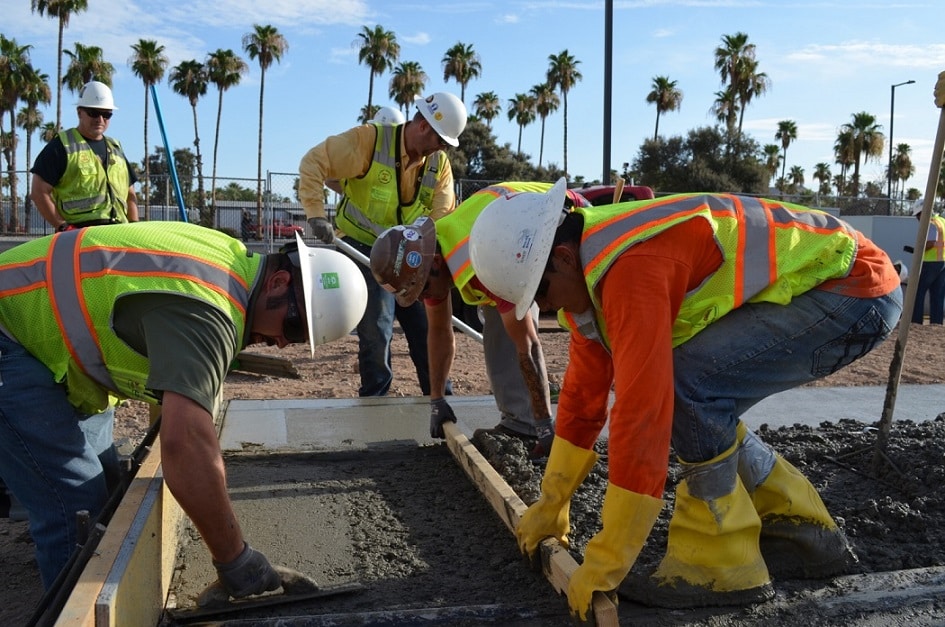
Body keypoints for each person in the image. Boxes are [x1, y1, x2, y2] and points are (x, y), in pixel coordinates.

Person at [468, 179, 903, 619]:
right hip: (832, 284)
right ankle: (803, 530)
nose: (542, 309)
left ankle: (720, 561)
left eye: (539, 295)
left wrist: (610, 554)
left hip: (852, 289)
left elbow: (643, 411)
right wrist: (551, 503)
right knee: (695, 394)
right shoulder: (591, 270)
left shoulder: (631, 267)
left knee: (684, 386)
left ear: (561, 258)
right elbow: (583, 398)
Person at [0, 222, 367, 597]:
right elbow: (185, 444)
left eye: (299, 339)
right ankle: (69, 609)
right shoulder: (210, 310)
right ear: (279, 283)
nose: (282, 344)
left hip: (50, 345)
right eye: (293, 326)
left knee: (108, 493)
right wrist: (236, 561)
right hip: (10, 335)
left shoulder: (230, 261)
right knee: (75, 503)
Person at [369, 182, 590, 457]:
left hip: (562, 222)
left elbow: (528, 345)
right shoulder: (432, 258)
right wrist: (436, 399)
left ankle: (534, 427)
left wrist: (545, 424)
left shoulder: (479, 261)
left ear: (435, 263)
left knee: (581, 327)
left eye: (421, 289)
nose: (421, 298)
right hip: (515, 228)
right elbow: (438, 331)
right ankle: (522, 424)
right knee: (498, 324)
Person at [299, 92, 467, 397]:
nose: (442, 148)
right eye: (440, 140)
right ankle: (376, 399)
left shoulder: (438, 164)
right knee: (377, 329)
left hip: (413, 253)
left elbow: (443, 214)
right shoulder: (369, 141)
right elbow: (314, 162)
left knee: (425, 326)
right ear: (423, 126)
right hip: (363, 247)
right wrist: (315, 214)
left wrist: (432, 256)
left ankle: (440, 397)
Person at [31, 81, 139, 231]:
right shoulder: (61, 146)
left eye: (106, 114)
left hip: (117, 234)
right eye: (93, 113)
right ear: (79, 112)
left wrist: (134, 228)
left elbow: (130, 194)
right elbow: (38, 192)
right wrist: (63, 226)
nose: (100, 119)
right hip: (80, 236)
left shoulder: (116, 148)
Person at [909, 201, 945, 324]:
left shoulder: (930, 223)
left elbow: (930, 243)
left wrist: (918, 249)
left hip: (929, 263)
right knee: (937, 295)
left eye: (918, 215)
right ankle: (936, 323)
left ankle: (916, 322)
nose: (917, 218)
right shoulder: (942, 221)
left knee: (918, 292)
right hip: (942, 263)